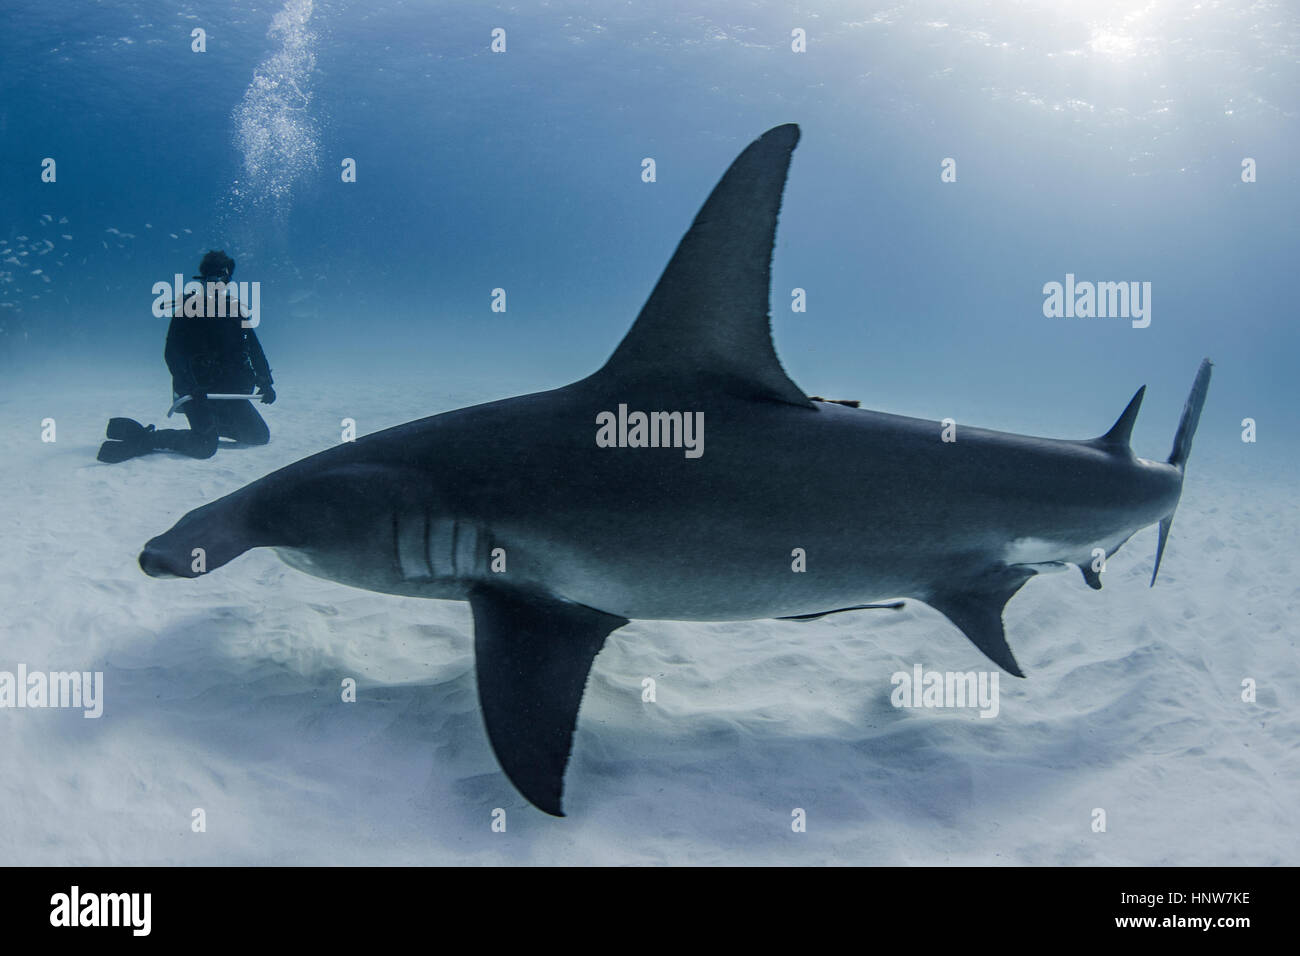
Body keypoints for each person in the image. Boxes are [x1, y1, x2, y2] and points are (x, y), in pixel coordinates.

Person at [97, 250, 276, 463]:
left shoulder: (235, 311)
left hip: (228, 392)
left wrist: (266, 381)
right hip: (196, 392)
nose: (216, 283)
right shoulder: (188, 310)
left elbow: (255, 349)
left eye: (222, 277)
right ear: (203, 279)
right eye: (212, 277)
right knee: (204, 447)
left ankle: (210, 425)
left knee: (258, 436)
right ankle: (148, 438)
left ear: (228, 280)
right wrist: (190, 385)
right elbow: (172, 353)